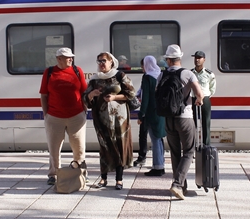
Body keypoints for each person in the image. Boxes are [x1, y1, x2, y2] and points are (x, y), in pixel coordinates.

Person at [83, 52, 135, 190]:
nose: (101, 63)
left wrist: (114, 98)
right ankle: (103, 178)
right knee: (104, 146)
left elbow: (131, 94)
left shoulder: (119, 76)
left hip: (120, 119)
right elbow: (85, 99)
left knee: (119, 146)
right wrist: (91, 94)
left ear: (111, 62)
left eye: (104, 61)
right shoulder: (94, 79)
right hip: (102, 119)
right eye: (98, 61)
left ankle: (119, 179)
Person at [161, 45, 204, 200]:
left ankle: (182, 187)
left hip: (168, 118)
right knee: (188, 151)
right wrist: (198, 101)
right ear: (180, 58)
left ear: (168, 60)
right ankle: (178, 185)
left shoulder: (162, 75)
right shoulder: (188, 73)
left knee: (174, 152)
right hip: (185, 117)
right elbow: (200, 94)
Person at [39, 47, 87, 186]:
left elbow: (84, 92)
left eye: (71, 57)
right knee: (54, 148)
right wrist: (46, 114)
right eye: (67, 57)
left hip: (76, 116)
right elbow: (44, 95)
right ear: (58, 59)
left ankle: (81, 173)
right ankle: (54, 174)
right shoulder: (49, 73)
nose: (70, 59)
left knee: (79, 148)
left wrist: (84, 111)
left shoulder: (78, 71)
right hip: (54, 117)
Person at [138, 55, 166, 176]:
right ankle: (161, 164)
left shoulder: (147, 77)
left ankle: (158, 167)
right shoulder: (160, 74)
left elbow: (145, 99)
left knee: (154, 139)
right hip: (161, 111)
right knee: (159, 139)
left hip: (151, 113)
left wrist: (141, 114)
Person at [190, 51, 216, 145]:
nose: (197, 60)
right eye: (195, 57)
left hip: (205, 100)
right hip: (192, 99)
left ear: (204, 60)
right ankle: (192, 147)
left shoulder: (209, 74)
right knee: (192, 125)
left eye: (199, 58)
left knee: (206, 123)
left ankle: (206, 146)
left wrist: (205, 96)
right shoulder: (190, 73)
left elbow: (212, 88)